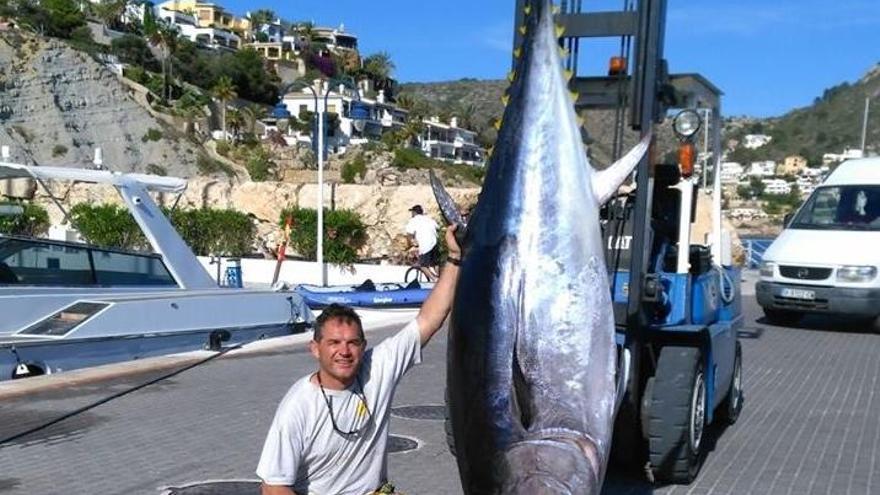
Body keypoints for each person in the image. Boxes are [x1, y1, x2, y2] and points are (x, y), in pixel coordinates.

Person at [257, 226, 462, 495]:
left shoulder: (377, 368)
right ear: (315, 349)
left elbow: (429, 319)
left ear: (363, 346)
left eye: (353, 342)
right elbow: (273, 487)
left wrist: (456, 256)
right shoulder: (298, 406)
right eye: (334, 343)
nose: (344, 351)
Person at [404, 204, 440, 282]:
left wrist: (410, 245)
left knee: (422, 265)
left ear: (414, 212)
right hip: (435, 243)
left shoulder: (413, 221)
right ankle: (440, 277)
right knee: (435, 263)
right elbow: (437, 228)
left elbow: (409, 235)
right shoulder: (429, 219)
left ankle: (435, 279)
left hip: (426, 245)